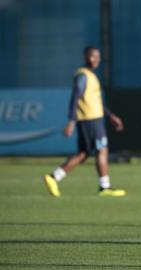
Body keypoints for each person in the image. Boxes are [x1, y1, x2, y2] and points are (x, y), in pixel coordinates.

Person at [43, 46, 126, 197]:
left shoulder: (91, 76)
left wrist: (111, 116)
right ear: (86, 57)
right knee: (102, 149)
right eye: (93, 56)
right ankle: (104, 187)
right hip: (90, 120)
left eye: (98, 57)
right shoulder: (82, 76)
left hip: (93, 119)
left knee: (83, 154)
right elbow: (75, 98)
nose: (96, 60)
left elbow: (96, 102)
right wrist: (71, 121)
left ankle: (54, 177)